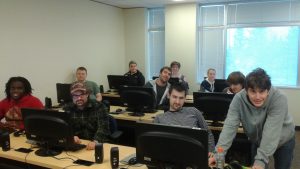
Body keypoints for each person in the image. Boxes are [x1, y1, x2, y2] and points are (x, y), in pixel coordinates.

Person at [209, 68, 295, 169]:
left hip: (283, 140)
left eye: (262, 92)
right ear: (246, 90)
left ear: (268, 90)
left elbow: (271, 132)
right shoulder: (238, 99)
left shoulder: (279, 98)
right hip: (257, 140)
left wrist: (260, 161)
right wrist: (218, 153)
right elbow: (229, 127)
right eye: (253, 91)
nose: (257, 97)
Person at [154, 83, 215, 153]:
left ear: (185, 98)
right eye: (174, 97)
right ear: (168, 95)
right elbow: (156, 144)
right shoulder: (159, 118)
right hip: (171, 155)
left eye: (181, 98)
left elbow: (208, 134)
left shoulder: (193, 111)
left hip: (195, 154)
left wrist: (211, 152)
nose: (177, 101)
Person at [63, 82, 110, 150]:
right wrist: (71, 137)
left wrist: (96, 141)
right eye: (75, 96)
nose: (79, 98)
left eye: (82, 95)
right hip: (77, 144)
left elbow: (103, 128)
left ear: (87, 94)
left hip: (97, 143)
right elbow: (65, 128)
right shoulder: (68, 108)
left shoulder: (99, 106)